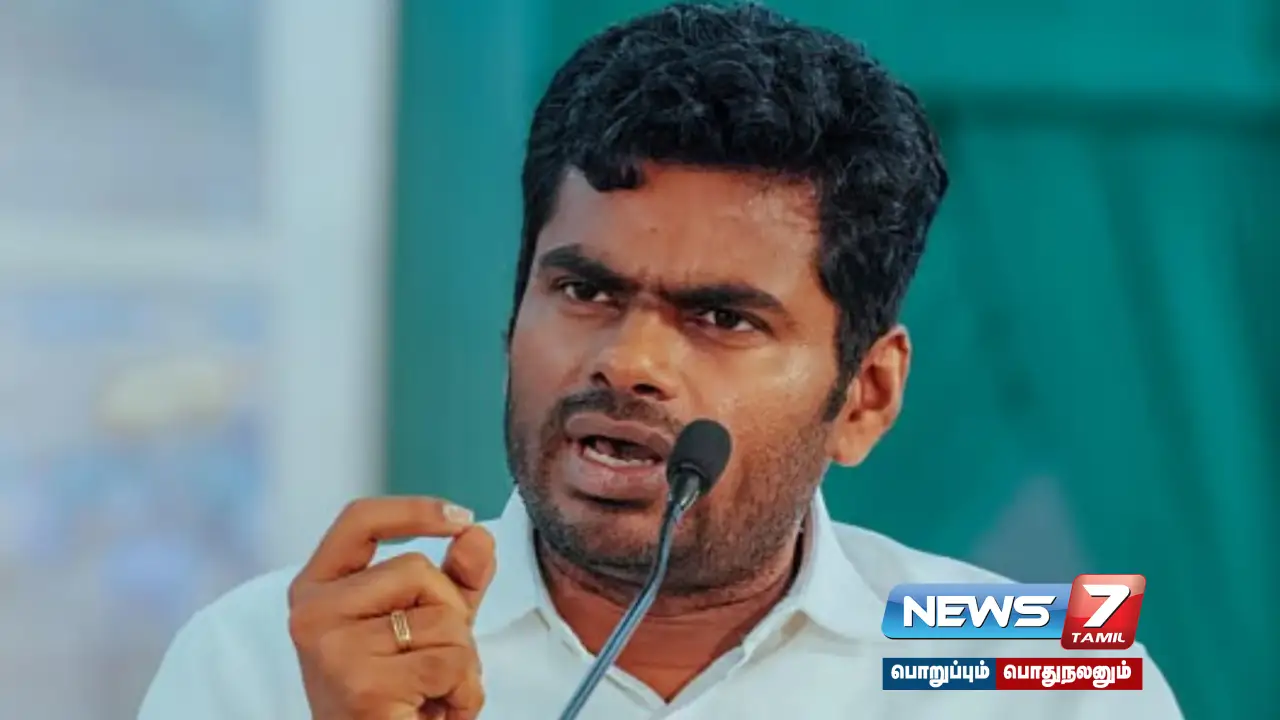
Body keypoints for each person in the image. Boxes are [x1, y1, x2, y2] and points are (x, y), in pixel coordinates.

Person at [139, 3, 1184, 718]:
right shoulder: (270, 660)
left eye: (722, 317)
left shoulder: (1037, 672)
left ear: (864, 397)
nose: (628, 361)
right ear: (513, 317)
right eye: (584, 292)